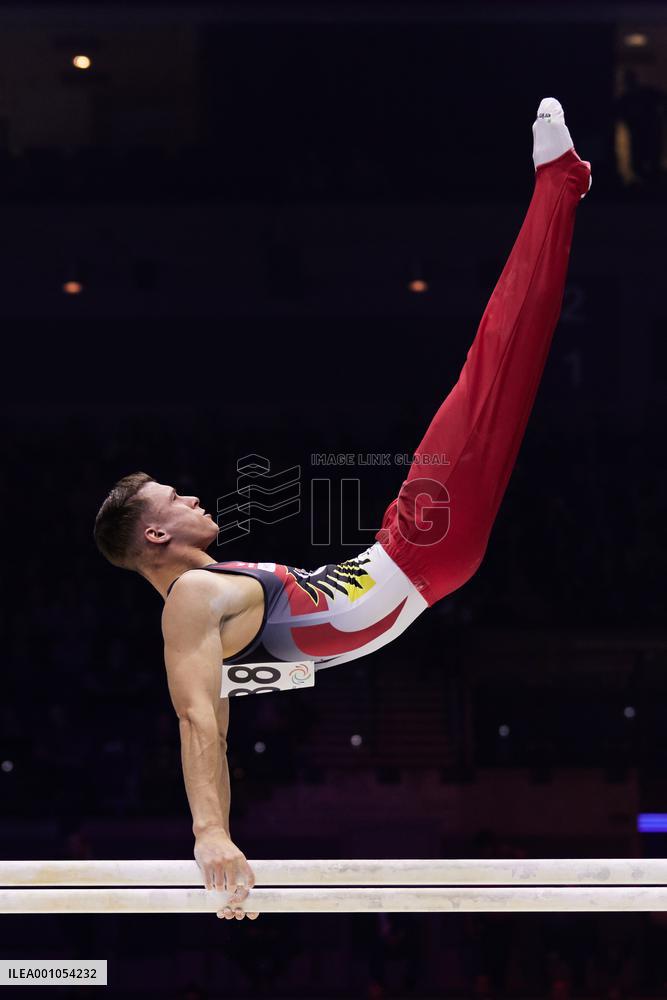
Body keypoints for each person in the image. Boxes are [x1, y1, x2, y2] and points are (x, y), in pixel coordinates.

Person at [94, 98, 591, 921]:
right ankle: (558, 183)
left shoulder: (205, 613)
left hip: (409, 560)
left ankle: (558, 188)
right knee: (493, 360)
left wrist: (225, 853)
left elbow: (218, 712)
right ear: (155, 533)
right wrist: (213, 841)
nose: (191, 496)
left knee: (503, 367)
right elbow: (198, 722)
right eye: (173, 499)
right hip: (417, 549)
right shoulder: (191, 600)